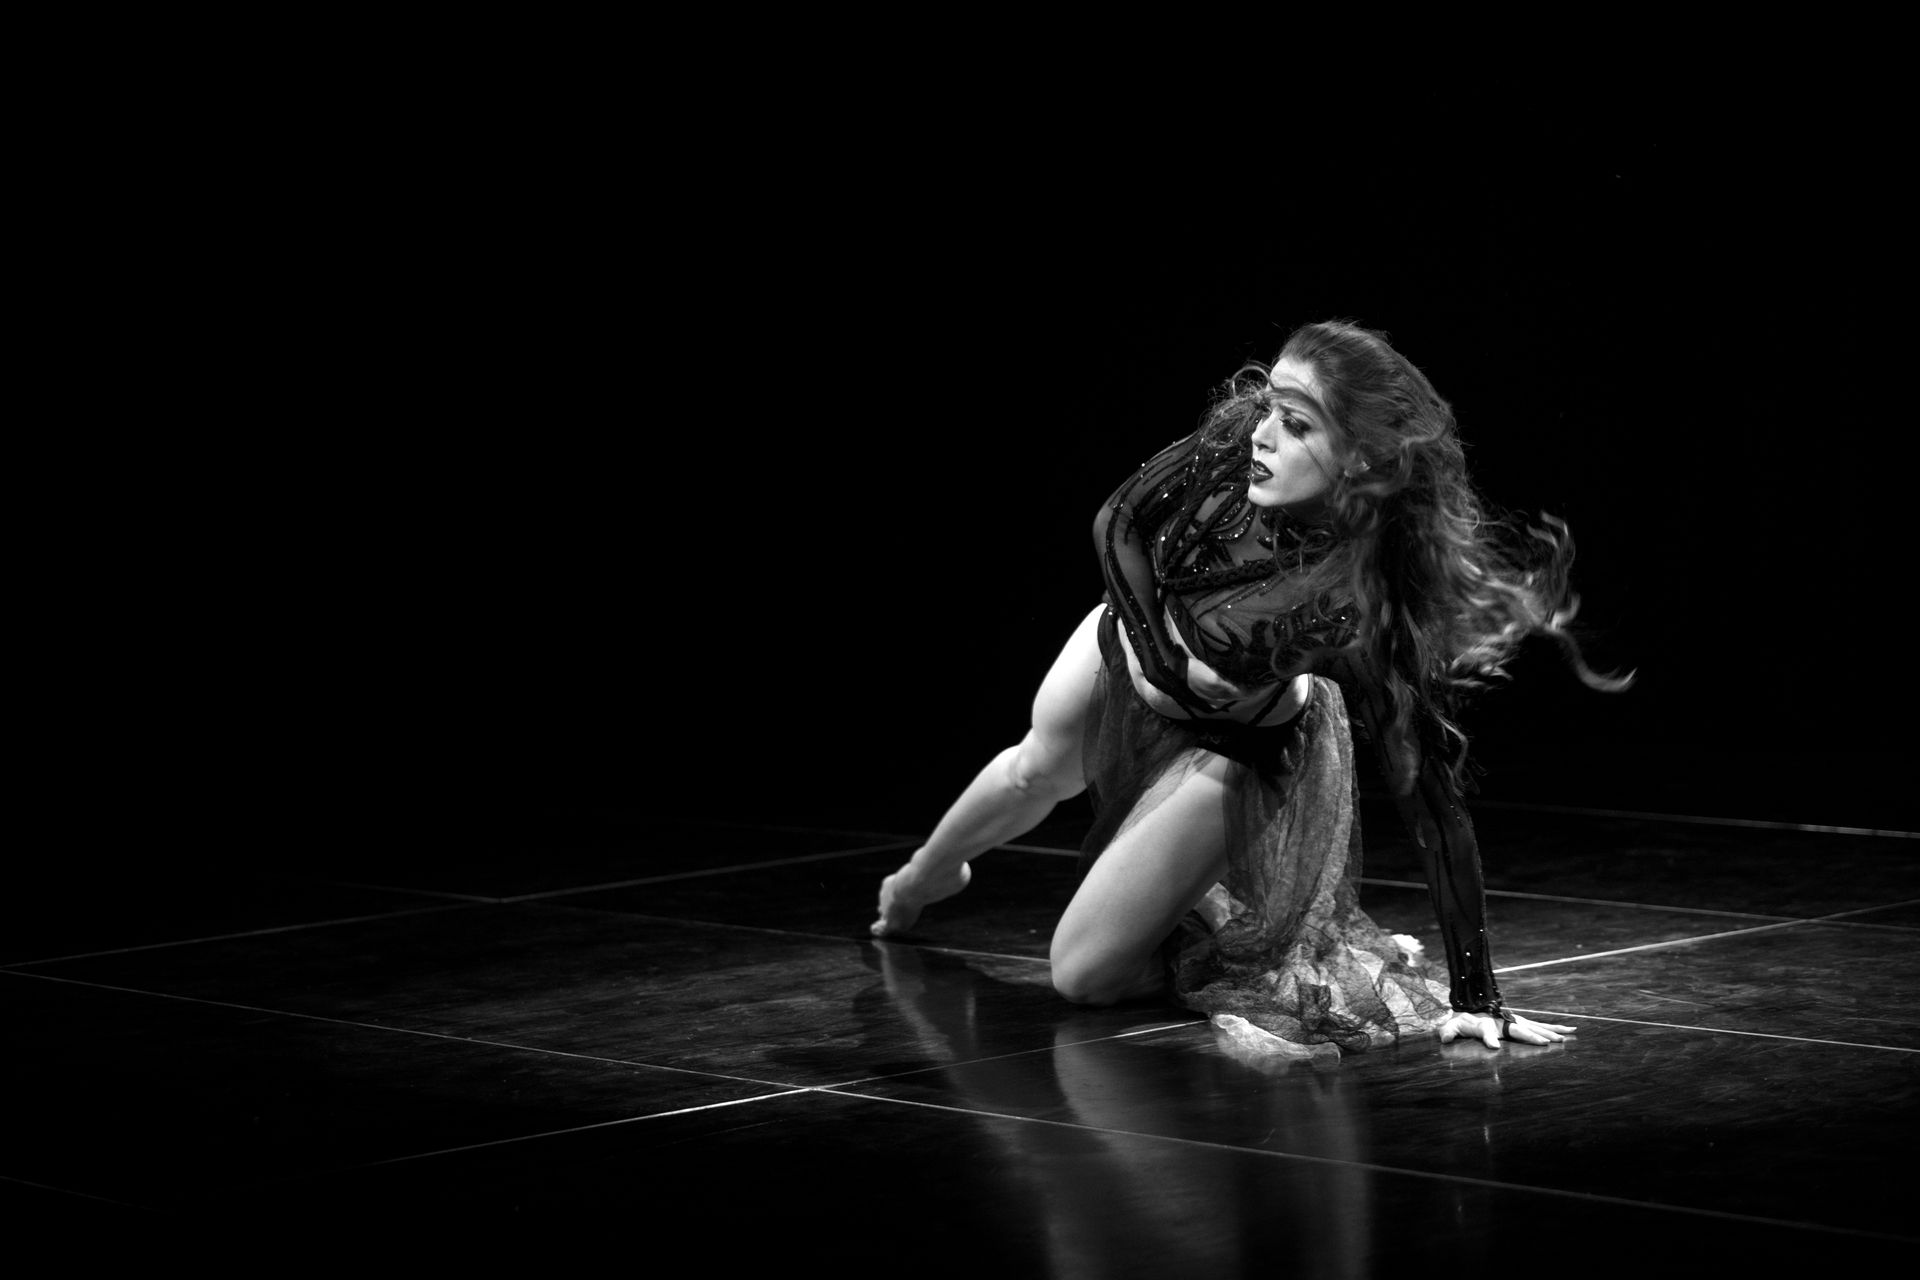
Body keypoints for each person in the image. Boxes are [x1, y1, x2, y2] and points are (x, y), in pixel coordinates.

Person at [871, 320, 1629, 1056]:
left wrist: (1476, 994)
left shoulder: (1361, 607)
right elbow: (1120, 522)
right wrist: (1157, 660)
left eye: (1294, 423)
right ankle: (919, 880)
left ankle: (1212, 932)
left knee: (1084, 980)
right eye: (1271, 403)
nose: (1263, 431)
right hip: (1128, 643)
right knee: (1037, 767)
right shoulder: (1240, 444)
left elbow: (1434, 807)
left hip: (1230, 741)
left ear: (1362, 459)